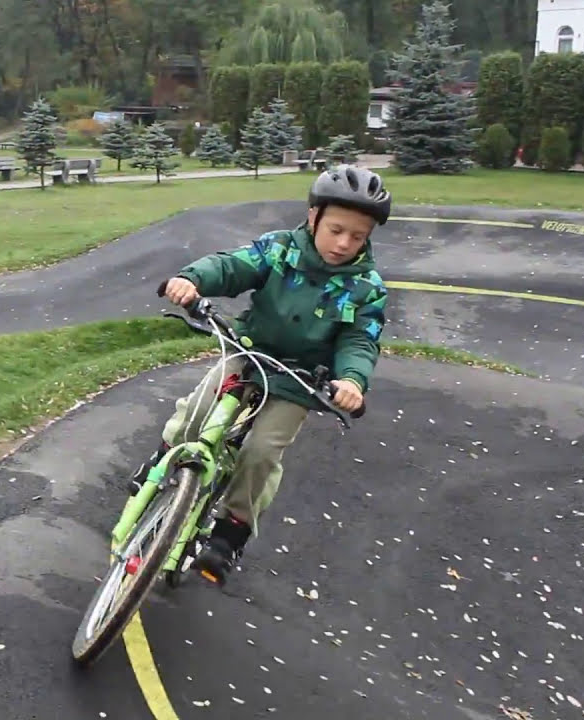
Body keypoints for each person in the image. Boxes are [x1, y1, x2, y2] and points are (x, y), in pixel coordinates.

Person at [130, 164, 392, 587]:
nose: (344, 243)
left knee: (262, 451)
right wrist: (191, 280)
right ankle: (163, 458)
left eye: (357, 236)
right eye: (336, 229)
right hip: (249, 352)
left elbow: (361, 338)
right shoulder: (280, 250)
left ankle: (230, 532)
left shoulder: (366, 287)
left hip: (301, 379)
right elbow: (233, 266)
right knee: (198, 409)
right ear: (313, 217)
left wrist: (352, 382)